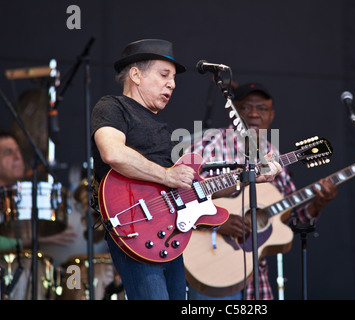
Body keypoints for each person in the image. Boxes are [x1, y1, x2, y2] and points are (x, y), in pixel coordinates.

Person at [90, 39, 281, 300]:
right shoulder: (112, 107)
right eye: (164, 75)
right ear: (136, 74)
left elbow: (197, 191)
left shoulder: (164, 129)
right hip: (134, 227)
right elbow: (112, 152)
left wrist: (250, 177)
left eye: (174, 79)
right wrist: (167, 175)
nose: (172, 84)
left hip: (170, 237)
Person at [188, 82, 338, 300]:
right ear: (234, 112)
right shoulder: (209, 145)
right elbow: (180, 196)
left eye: (262, 109)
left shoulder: (272, 154)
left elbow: (290, 216)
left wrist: (318, 204)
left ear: (272, 115)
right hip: (210, 267)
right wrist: (217, 221)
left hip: (255, 277)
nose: (254, 114)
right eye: (246, 108)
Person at [0, 129, 77, 251]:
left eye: (18, 151)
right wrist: (36, 237)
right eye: (8, 152)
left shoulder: (24, 197)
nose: (18, 156)